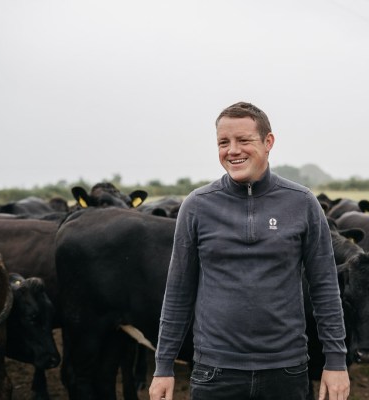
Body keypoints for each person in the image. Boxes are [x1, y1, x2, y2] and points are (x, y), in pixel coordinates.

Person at [149, 101, 350, 400]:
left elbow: (324, 287)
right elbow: (178, 291)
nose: (233, 150)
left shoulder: (302, 203)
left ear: (268, 142)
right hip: (215, 371)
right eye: (223, 142)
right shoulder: (197, 206)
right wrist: (163, 366)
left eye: (244, 140)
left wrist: (336, 361)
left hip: (287, 369)